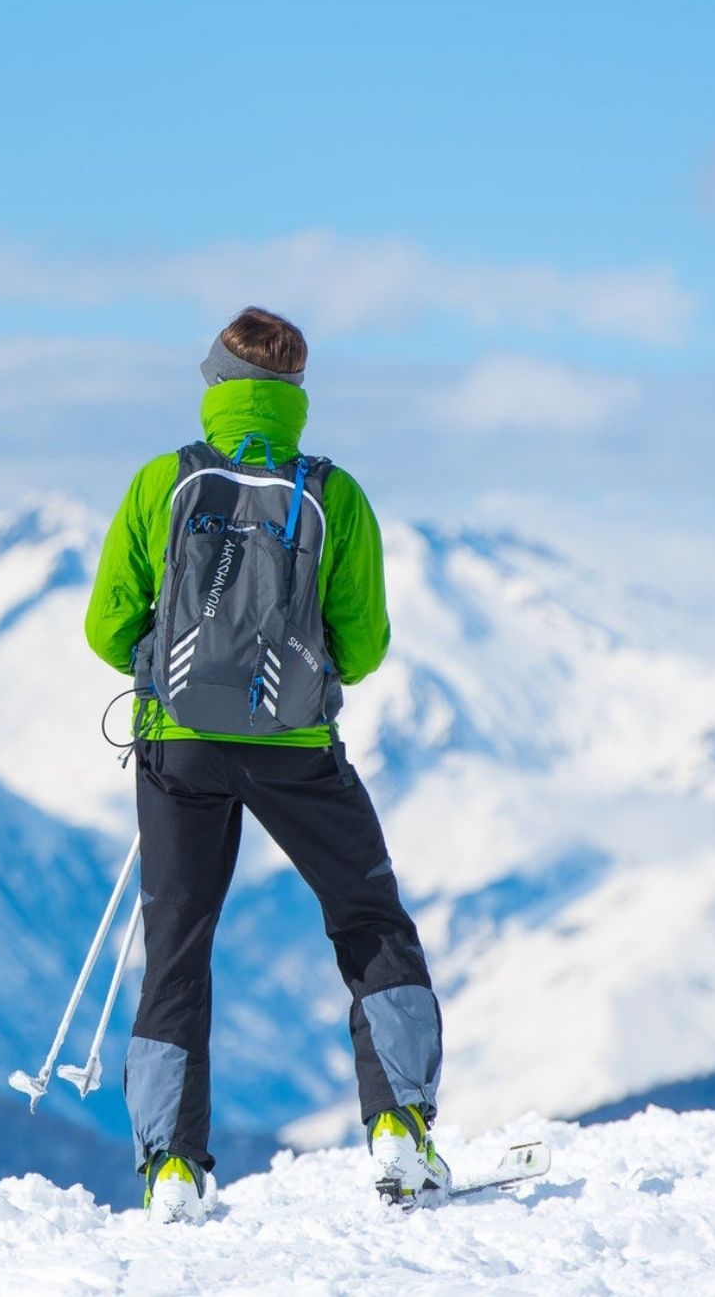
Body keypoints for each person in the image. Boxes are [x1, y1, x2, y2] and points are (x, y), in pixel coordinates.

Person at [82, 307, 446, 1224]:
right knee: (367, 919)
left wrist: (167, 668)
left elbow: (104, 627)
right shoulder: (335, 493)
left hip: (179, 746)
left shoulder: (162, 484)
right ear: (296, 395)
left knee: (178, 945)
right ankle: (399, 1124)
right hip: (295, 751)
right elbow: (363, 646)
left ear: (214, 384)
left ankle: (172, 1167)